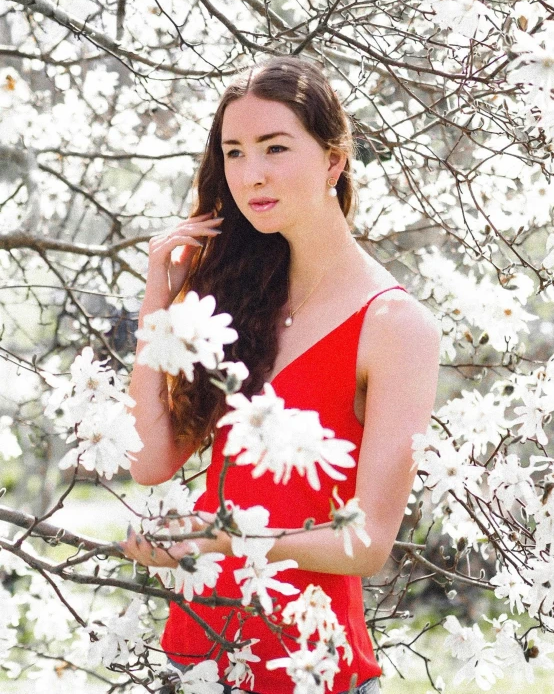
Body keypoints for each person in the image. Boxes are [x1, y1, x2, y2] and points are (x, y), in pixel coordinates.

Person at [120, 56, 441, 694]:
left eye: (275, 148)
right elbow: (151, 459)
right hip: (197, 654)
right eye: (234, 153)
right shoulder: (239, 300)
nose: (251, 174)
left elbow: (370, 542)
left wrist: (216, 538)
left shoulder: (394, 324)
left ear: (333, 160)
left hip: (313, 670)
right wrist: (160, 301)